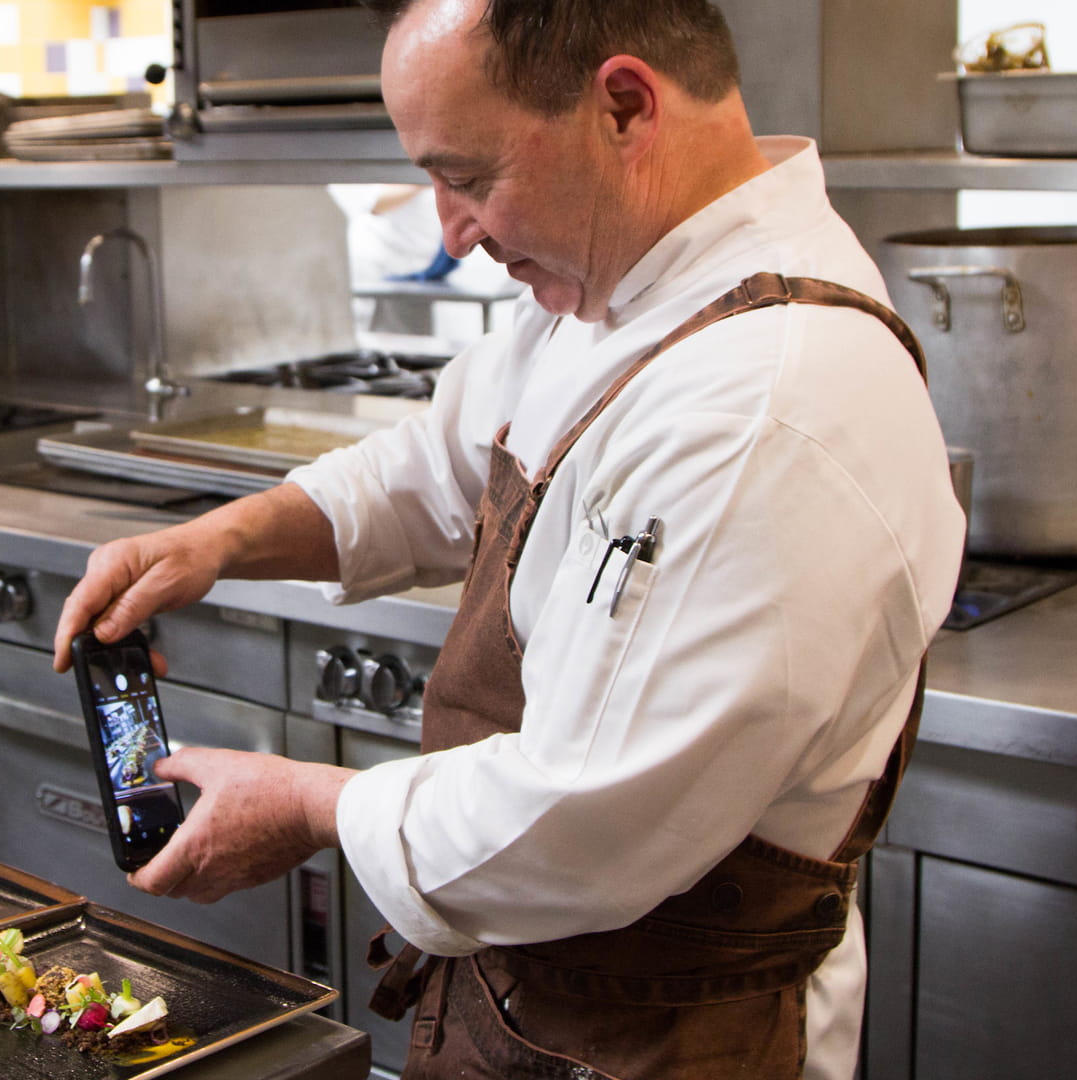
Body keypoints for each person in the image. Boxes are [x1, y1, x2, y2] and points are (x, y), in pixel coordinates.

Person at [51, 0, 964, 1075]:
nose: (449, 231)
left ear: (624, 105)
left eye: (469, 176)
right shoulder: (617, 279)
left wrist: (309, 806)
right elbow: (441, 464)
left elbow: (581, 822)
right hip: (541, 999)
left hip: (671, 1036)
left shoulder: (763, 404)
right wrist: (223, 539)